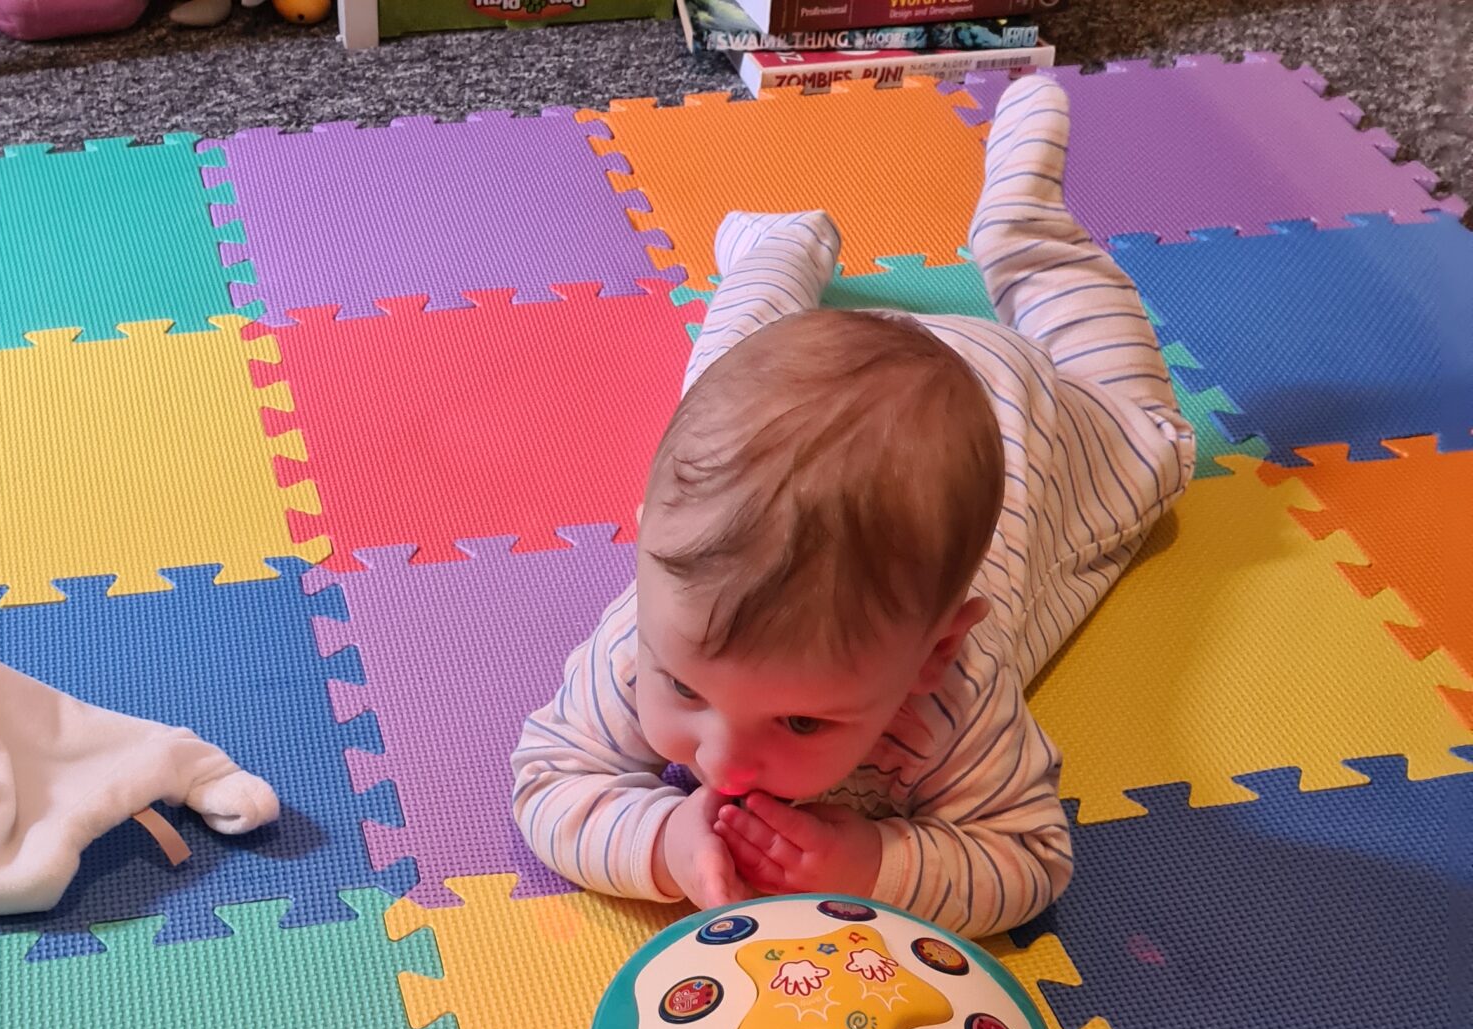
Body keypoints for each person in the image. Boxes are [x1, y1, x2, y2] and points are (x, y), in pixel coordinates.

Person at [510, 76, 1194, 937]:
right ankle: (774, 252)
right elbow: (549, 777)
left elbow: (1027, 856)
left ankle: (1028, 240)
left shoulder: (955, 695)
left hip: (1022, 414)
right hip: (802, 393)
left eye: (801, 720)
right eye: (684, 688)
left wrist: (871, 865)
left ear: (933, 651)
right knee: (727, 371)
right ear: (643, 550)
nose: (721, 760)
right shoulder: (651, 623)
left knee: (1157, 443)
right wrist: (662, 840)